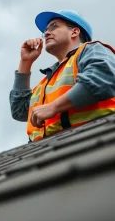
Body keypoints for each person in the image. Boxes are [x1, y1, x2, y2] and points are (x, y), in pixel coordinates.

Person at [9, 9, 115, 142]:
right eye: (45, 30)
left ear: (74, 32)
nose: (46, 33)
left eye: (54, 27)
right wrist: (25, 62)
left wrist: (53, 107)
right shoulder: (46, 83)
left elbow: (102, 79)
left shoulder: (91, 50)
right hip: (51, 153)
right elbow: (19, 111)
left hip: (95, 141)